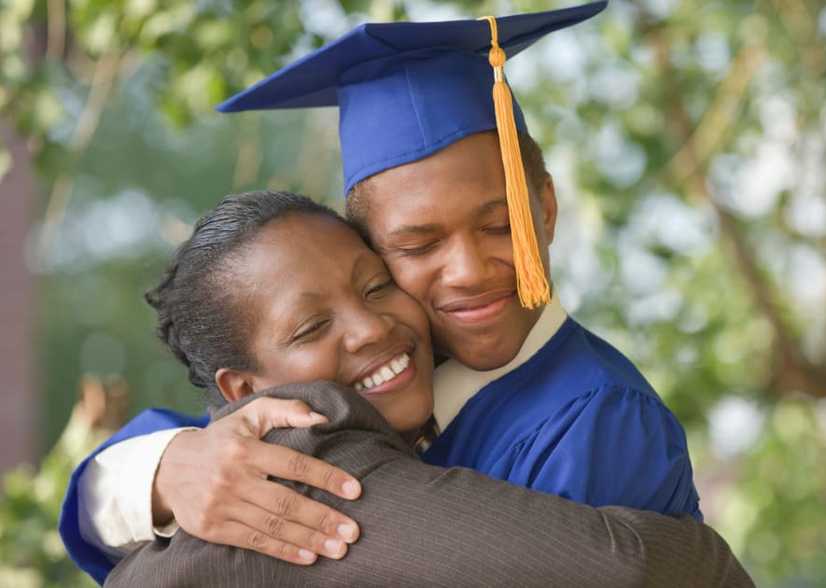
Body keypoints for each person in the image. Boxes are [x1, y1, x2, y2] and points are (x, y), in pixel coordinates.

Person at [60, 1, 720, 582]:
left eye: (498, 224)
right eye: (418, 246)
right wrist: (166, 470)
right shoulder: (363, 387)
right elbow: (135, 475)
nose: (466, 270)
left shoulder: (595, 417)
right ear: (369, 249)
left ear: (544, 209)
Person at [97, 189, 749, 586]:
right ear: (243, 387)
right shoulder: (306, 450)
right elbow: (621, 571)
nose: (371, 327)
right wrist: (705, 556)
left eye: (377, 284)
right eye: (313, 326)